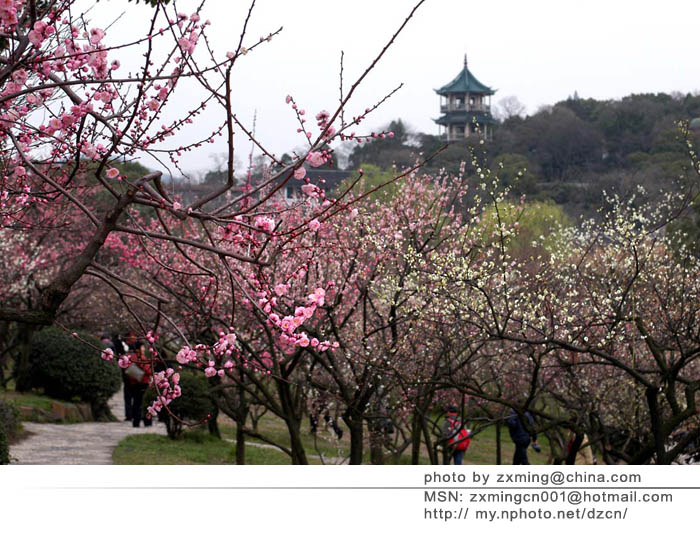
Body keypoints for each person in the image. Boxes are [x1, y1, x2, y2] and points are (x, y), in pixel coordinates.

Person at [125, 341, 153, 428]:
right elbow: (148, 370)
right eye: (142, 347)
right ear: (138, 349)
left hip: (134, 383)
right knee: (145, 403)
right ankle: (147, 421)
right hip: (143, 383)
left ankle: (136, 422)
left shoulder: (132, 357)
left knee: (136, 403)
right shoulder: (141, 357)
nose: (144, 349)